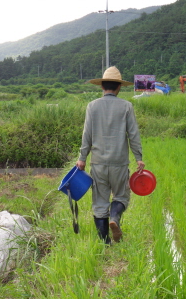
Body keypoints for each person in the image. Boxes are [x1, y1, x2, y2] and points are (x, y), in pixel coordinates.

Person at [76, 66, 145, 245]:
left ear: (102, 86)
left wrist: (82, 158)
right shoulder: (126, 106)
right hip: (119, 163)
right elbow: (133, 134)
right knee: (121, 197)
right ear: (119, 87)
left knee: (100, 202)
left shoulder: (92, 106)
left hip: (98, 163)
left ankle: (105, 243)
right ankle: (115, 216)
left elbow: (87, 135)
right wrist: (138, 157)